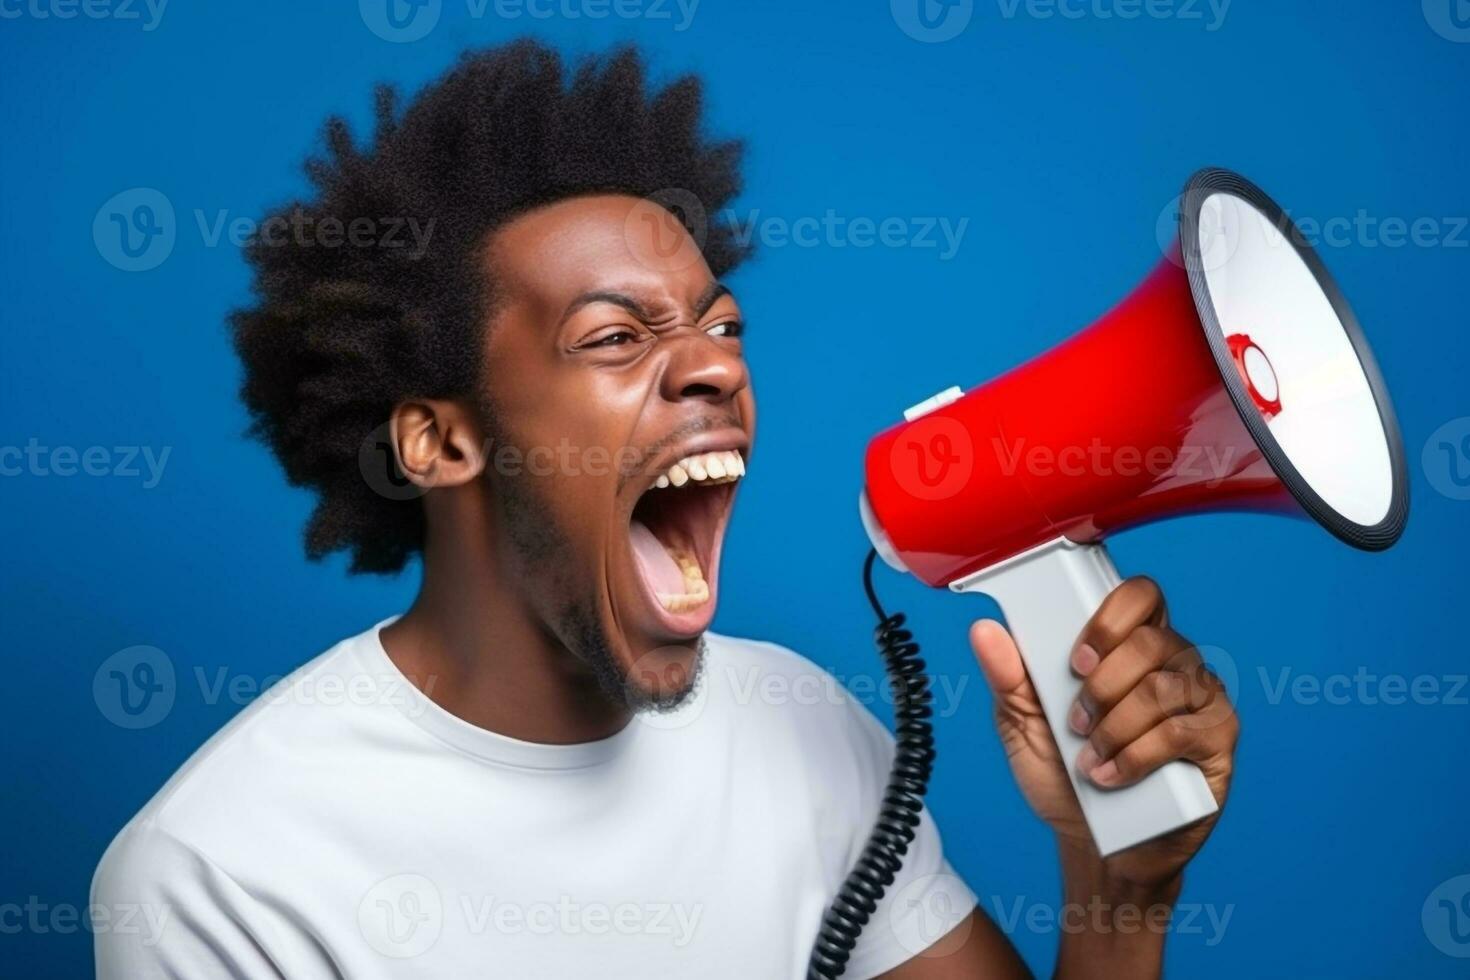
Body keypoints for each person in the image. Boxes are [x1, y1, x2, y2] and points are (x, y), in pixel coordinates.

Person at [93, 40, 1239, 978]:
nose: (713, 368)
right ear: (440, 441)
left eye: (721, 326)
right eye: (615, 338)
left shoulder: (805, 726)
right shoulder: (220, 873)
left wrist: (1121, 884)